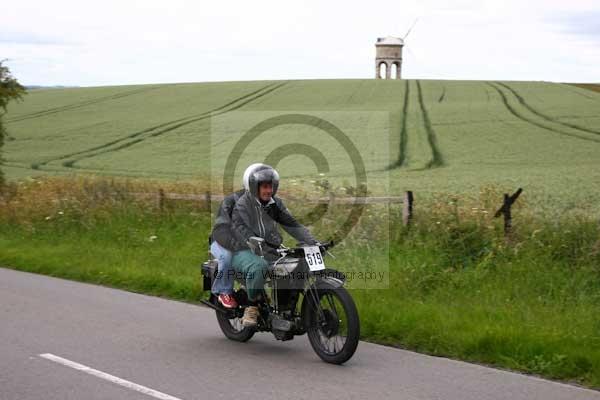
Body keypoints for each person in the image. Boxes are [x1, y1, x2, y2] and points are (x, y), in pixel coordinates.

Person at [230, 163, 318, 327]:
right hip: (242, 251)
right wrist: (252, 240)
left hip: (269, 249)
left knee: (294, 263)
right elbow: (240, 228)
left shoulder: (274, 204)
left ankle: (286, 310)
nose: (268, 190)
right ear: (253, 187)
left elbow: (291, 224)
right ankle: (251, 307)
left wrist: (312, 242)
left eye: (270, 186)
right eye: (264, 186)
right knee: (260, 267)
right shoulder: (243, 205)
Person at [209, 188, 245, 308]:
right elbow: (221, 230)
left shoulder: (267, 205)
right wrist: (236, 245)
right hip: (221, 241)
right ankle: (224, 292)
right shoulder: (231, 201)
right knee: (226, 257)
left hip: (245, 243)